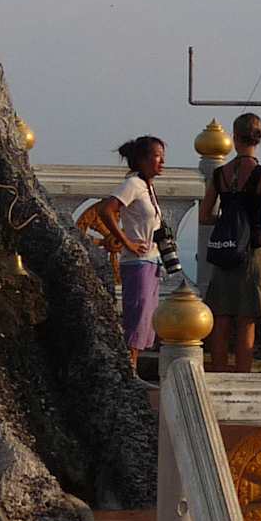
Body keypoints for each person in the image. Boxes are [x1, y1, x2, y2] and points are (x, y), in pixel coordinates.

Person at [199, 112, 261, 372]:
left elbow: (205, 216)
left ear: (234, 138)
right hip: (252, 250)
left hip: (225, 252)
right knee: (246, 319)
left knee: (221, 317)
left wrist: (228, 223)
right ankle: (243, 377)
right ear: (259, 138)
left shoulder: (220, 173)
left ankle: (219, 374)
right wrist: (253, 228)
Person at [99, 134, 166, 370]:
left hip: (152, 260)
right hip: (138, 262)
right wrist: (127, 242)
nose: (162, 162)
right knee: (137, 318)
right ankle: (130, 369)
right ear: (142, 160)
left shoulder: (147, 186)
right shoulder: (133, 185)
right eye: (157, 156)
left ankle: (133, 369)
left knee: (147, 319)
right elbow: (106, 210)